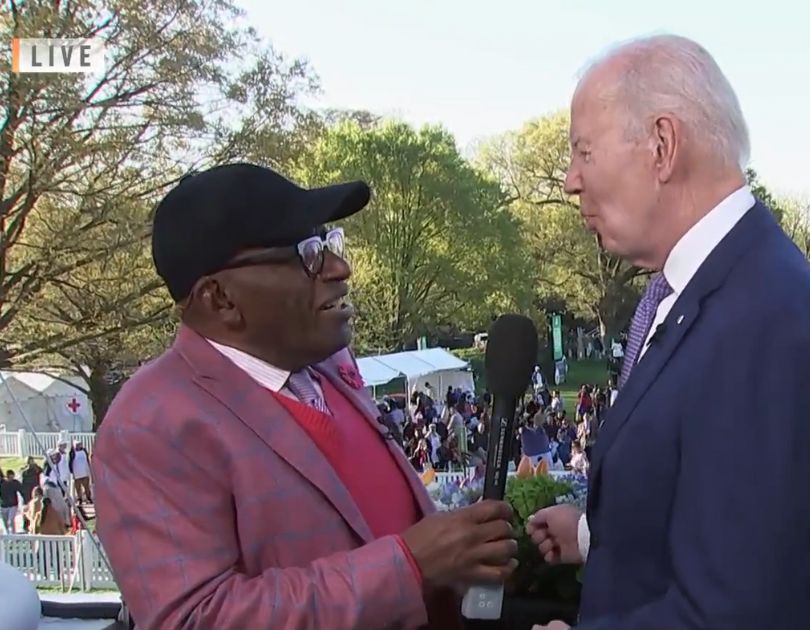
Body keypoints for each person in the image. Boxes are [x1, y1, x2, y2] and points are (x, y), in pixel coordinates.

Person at [528, 35, 810, 629]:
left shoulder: (764, 319)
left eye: (584, 151)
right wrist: (595, 534)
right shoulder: (715, 289)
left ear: (662, 145)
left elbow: (735, 610)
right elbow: (718, 520)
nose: (569, 180)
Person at [92, 164, 517, 629]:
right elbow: (199, 619)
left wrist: (460, 556)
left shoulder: (330, 366)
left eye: (329, 243)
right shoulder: (149, 427)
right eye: (308, 254)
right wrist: (409, 565)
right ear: (218, 299)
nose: (340, 268)